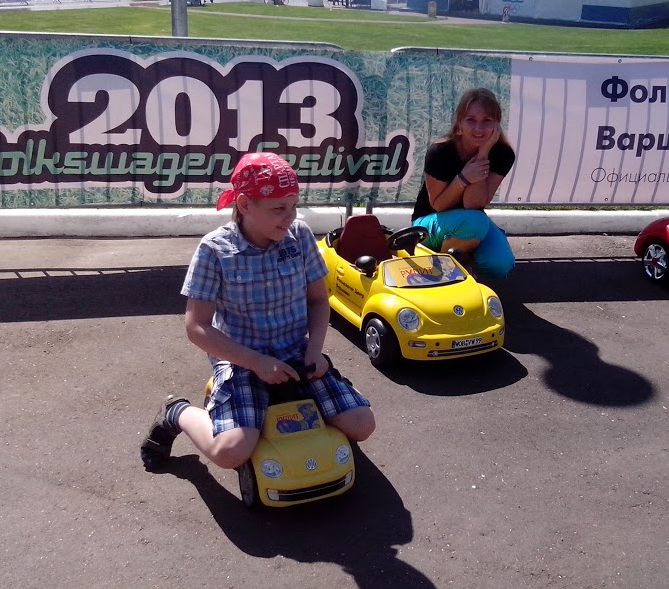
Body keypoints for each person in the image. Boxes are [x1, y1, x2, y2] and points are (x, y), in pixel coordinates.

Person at [139, 152, 375, 500]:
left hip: (297, 355)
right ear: (245, 204)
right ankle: (179, 413)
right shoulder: (215, 250)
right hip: (242, 361)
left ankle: (297, 407)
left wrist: (314, 351)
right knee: (230, 452)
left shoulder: (299, 236)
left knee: (362, 424)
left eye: (293, 206)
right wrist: (256, 362)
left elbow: (318, 300)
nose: (290, 217)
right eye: (278, 208)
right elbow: (196, 327)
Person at [411, 87, 516, 280]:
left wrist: (482, 154)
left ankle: (464, 259)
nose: (478, 128)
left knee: (501, 264)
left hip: (470, 222)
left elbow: (473, 204)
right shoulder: (440, 152)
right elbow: (439, 205)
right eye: (471, 120)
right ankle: (443, 273)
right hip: (429, 222)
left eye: (487, 121)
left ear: (497, 124)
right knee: (475, 222)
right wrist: (464, 178)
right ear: (459, 123)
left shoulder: (503, 153)